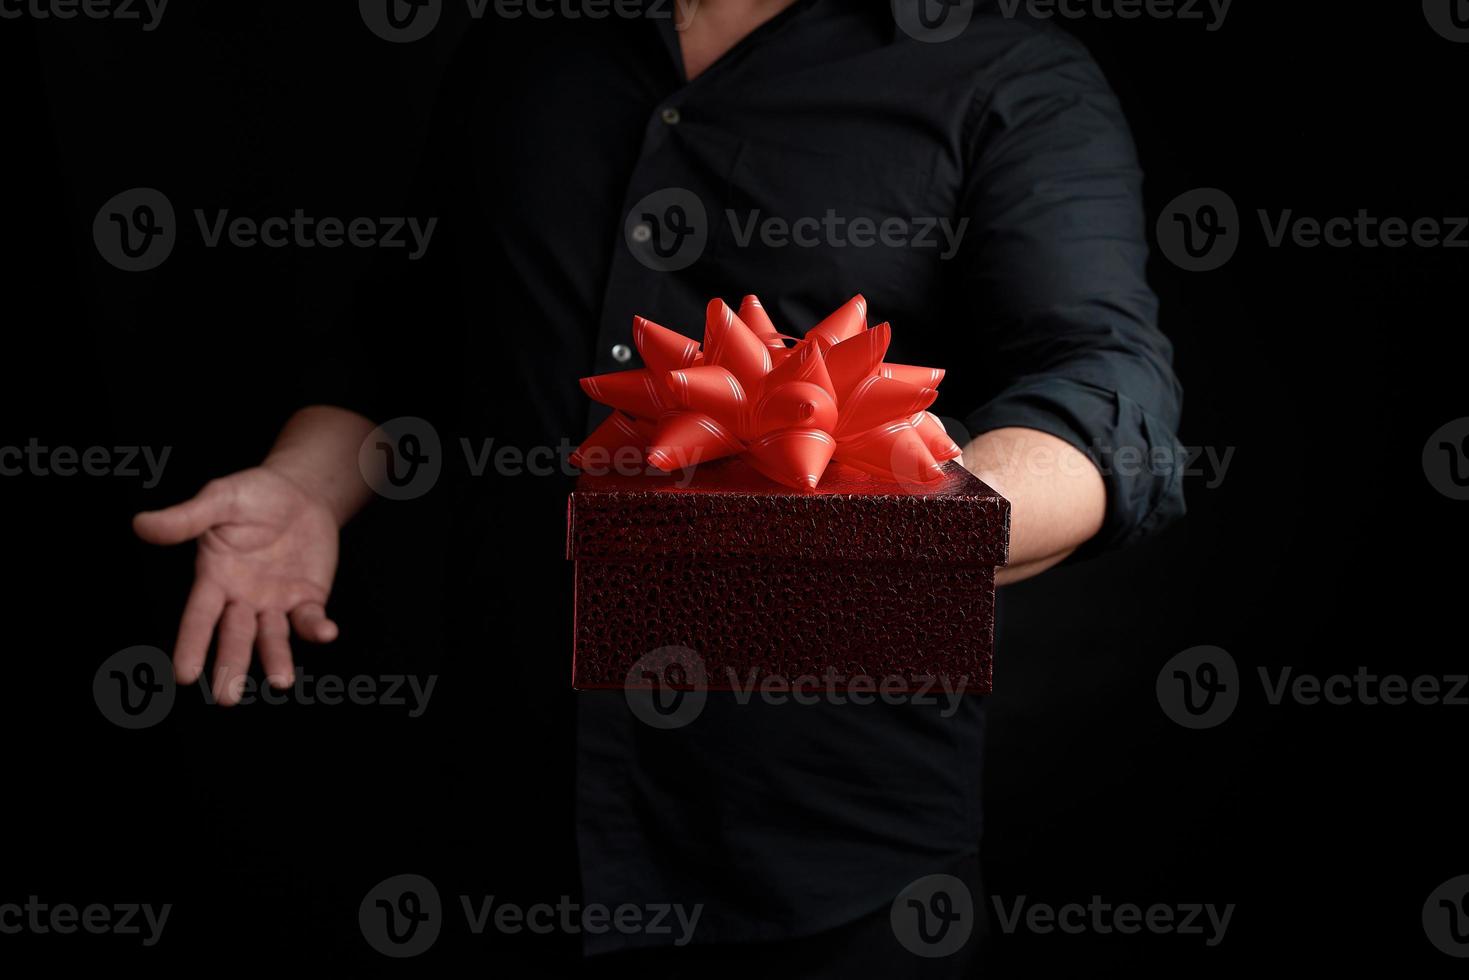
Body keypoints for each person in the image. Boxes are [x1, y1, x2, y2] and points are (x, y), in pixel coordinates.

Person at [133, 0, 1184, 972]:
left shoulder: (1007, 71)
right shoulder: (519, 49)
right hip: (505, 826)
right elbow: (408, 344)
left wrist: (918, 528)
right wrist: (305, 485)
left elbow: (1103, 386)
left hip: (825, 868)